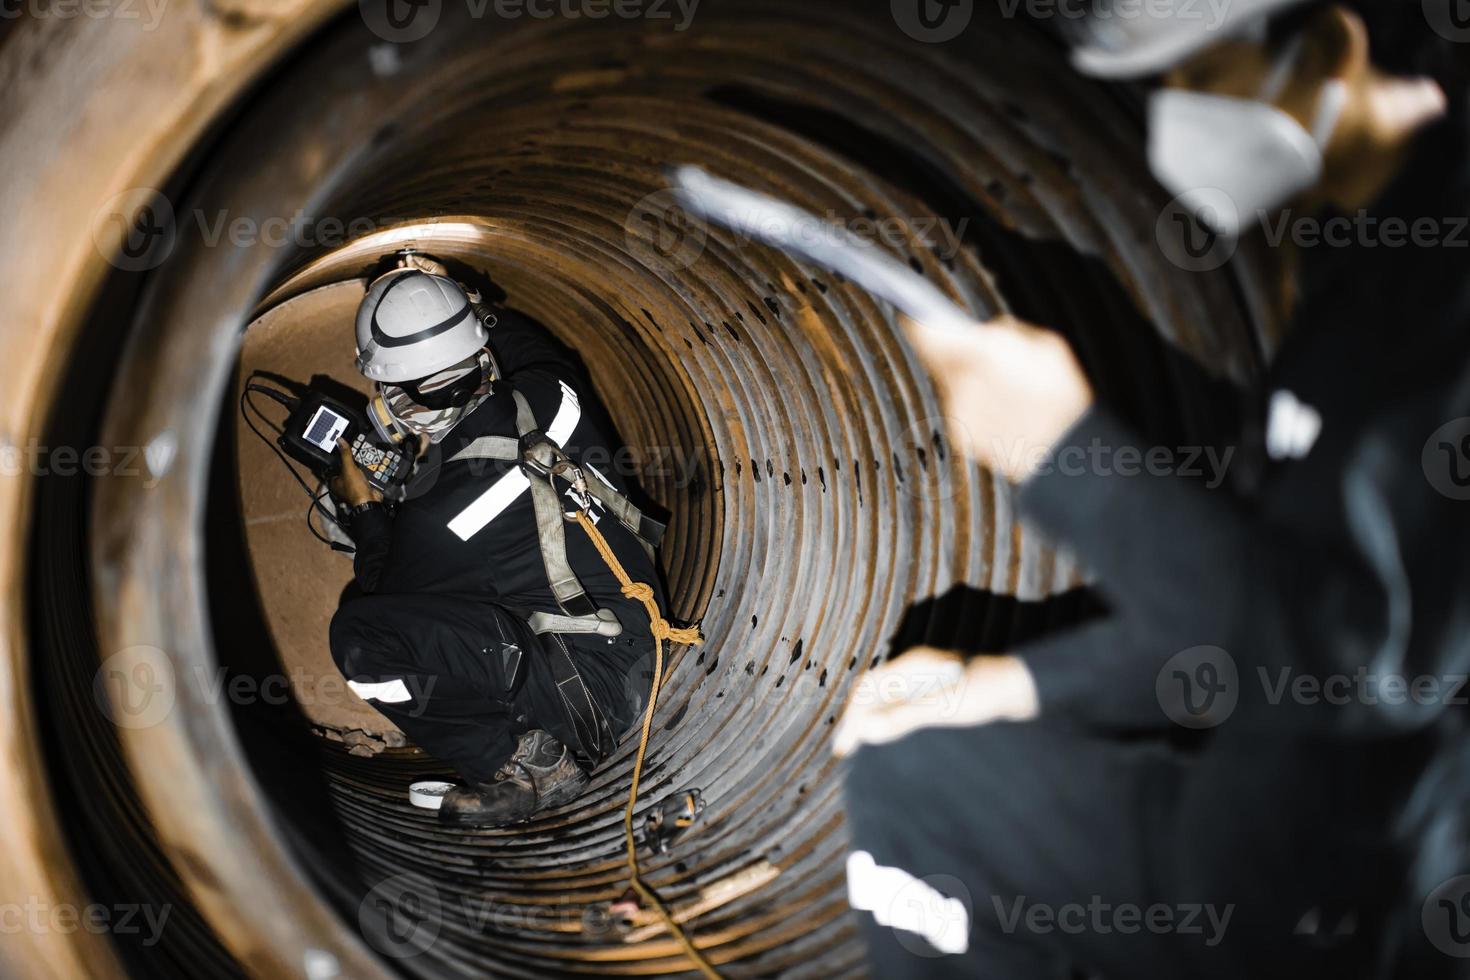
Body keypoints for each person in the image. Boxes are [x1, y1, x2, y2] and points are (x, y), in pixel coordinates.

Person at [835, 1, 1470, 976]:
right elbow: (1270, 604)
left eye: (1198, 73)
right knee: (915, 774)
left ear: (1331, 44)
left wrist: (1066, 458)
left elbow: (1364, 660)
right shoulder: (1364, 264)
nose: (1174, 111)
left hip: (1370, 897)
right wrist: (1006, 684)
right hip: (1252, 831)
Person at [327, 253, 670, 828]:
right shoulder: (552, 388)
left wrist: (363, 510)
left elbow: (386, 590)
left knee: (360, 635)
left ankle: (517, 761)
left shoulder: (438, 515)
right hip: (640, 633)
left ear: (394, 397)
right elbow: (526, 346)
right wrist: (459, 298)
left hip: (592, 698)